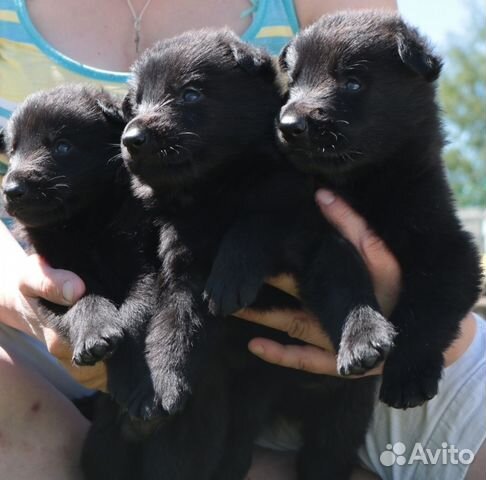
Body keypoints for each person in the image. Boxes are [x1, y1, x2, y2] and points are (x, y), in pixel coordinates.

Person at [0, 1, 484, 479]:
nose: (297, 111)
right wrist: (23, 286)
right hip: (66, 347)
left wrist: (405, 334)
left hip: (392, 352)